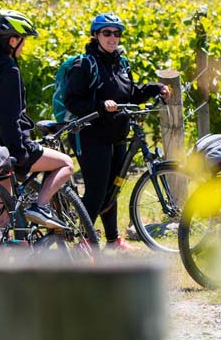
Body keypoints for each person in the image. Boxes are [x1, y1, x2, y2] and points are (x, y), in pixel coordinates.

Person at [64, 13, 170, 251]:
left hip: (116, 134)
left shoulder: (120, 63)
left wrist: (155, 88)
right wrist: (100, 107)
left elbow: (131, 93)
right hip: (91, 135)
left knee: (113, 188)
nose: (113, 38)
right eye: (107, 33)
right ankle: (84, 242)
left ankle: (113, 240)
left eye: (117, 33)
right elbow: (72, 102)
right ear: (95, 35)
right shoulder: (85, 65)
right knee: (96, 190)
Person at [0, 10, 73, 229]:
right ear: (13, 40)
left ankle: (0, 254)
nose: (23, 46)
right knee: (66, 163)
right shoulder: (9, 70)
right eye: (22, 41)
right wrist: (21, 155)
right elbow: (9, 119)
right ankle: (41, 206)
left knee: (3, 216)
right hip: (10, 149)